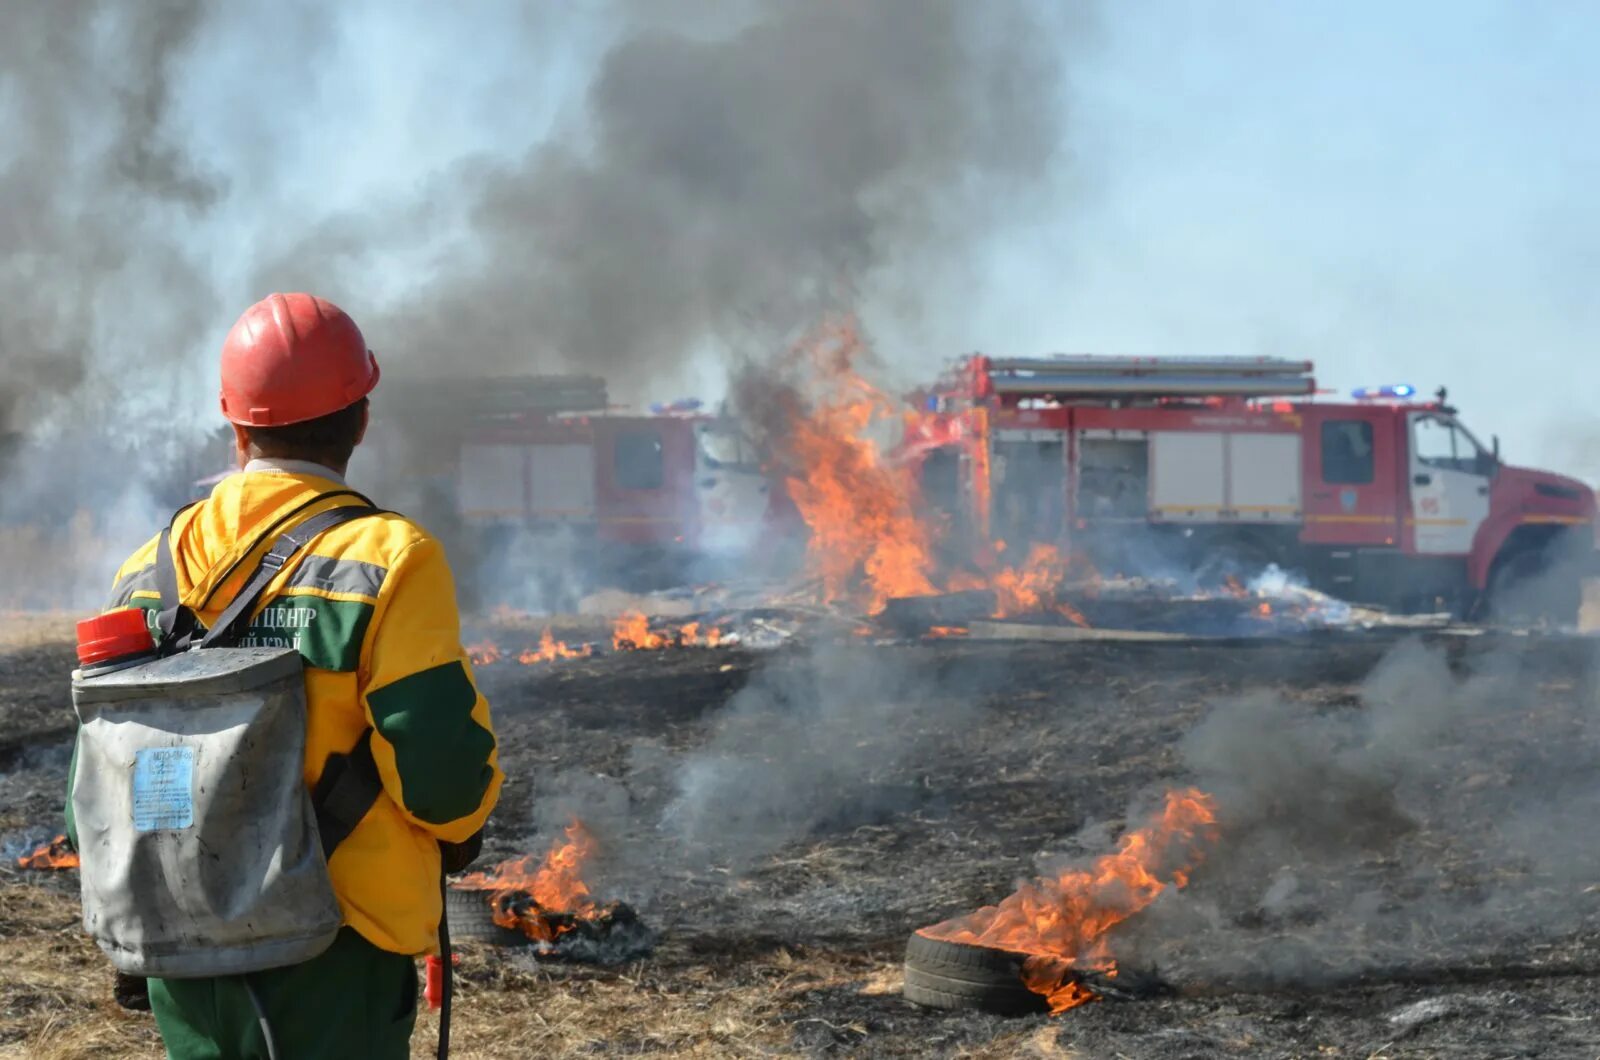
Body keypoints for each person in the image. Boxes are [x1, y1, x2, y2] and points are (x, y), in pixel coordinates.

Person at [85, 292, 503, 1058]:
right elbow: (440, 774)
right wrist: (460, 830)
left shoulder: (149, 567)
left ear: (236, 426)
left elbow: (105, 761)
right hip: (335, 950)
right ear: (362, 420)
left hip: (184, 946)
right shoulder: (390, 558)